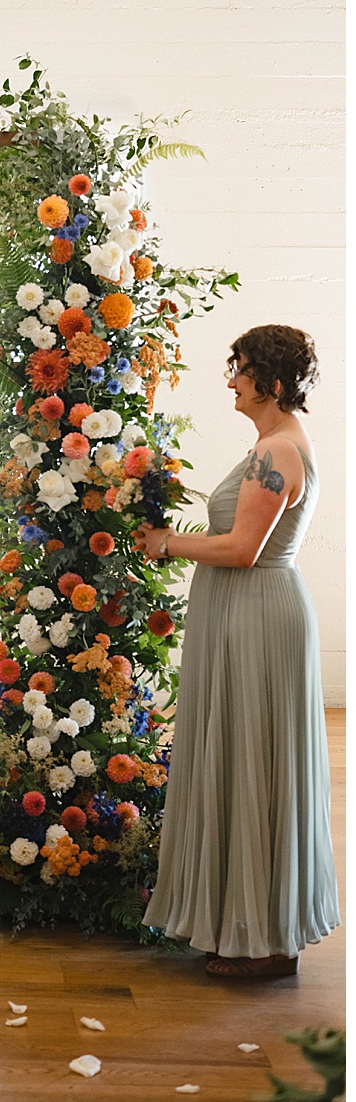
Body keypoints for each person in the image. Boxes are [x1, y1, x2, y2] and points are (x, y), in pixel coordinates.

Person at [137, 325, 339, 978]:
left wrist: (164, 542)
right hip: (245, 610)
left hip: (256, 613)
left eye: (241, 369)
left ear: (272, 383)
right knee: (241, 756)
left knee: (251, 757)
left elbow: (242, 548)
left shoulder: (278, 450)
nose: (231, 381)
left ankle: (264, 939)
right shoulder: (273, 444)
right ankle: (246, 922)